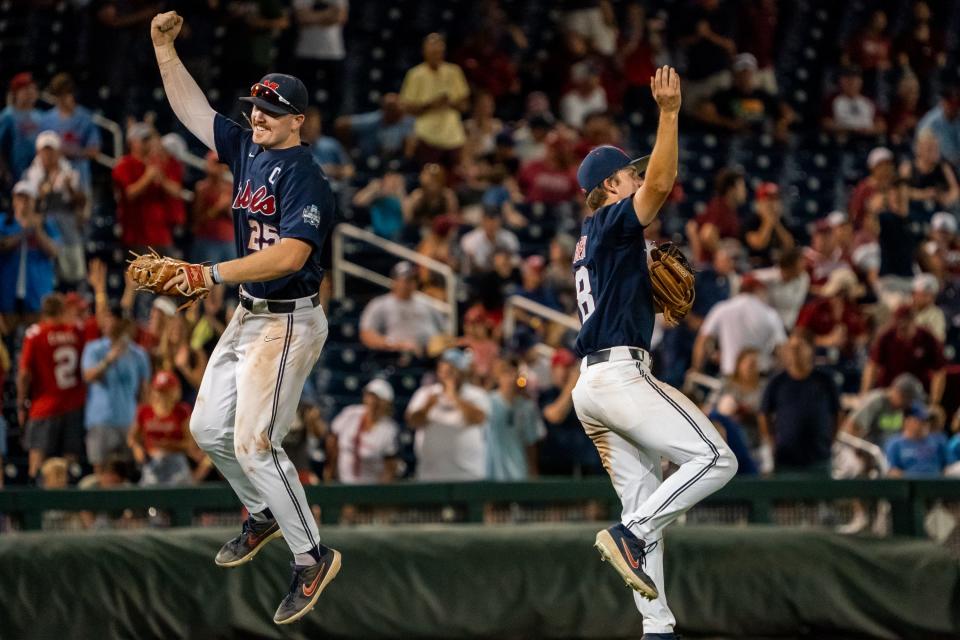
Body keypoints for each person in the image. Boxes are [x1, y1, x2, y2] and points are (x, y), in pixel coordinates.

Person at [150, 11, 340, 623]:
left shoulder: (306, 175)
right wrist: (163, 48)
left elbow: (289, 255)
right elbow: (191, 110)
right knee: (208, 431)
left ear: (297, 121)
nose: (256, 115)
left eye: (271, 108)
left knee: (256, 442)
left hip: (289, 320)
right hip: (248, 315)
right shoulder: (245, 147)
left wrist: (209, 273)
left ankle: (312, 557)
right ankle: (262, 512)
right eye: (255, 105)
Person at [570, 67, 737, 639]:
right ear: (609, 188)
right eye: (628, 176)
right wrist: (669, 114)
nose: (638, 179)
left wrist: (654, 302)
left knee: (650, 501)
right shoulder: (611, 223)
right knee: (716, 459)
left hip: (594, 385)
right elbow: (662, 186)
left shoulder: (599, 238)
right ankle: (630, 534)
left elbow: (646, 307)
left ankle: (657, 629)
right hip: (618, 377)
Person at [16, 293, 86, 480]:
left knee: (37, 464)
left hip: (44, 406)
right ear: (62, 310)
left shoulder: (36, 333)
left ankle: (35, 505)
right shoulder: (76, 331)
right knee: (70, 464)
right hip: (73, 404)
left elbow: (24, 374)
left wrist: (22, 403)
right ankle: (71, 507)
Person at [758, 331, 840, 475]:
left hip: (819, 458)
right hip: (786, 460)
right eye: (791, 347)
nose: (794, 351)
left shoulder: (825, 380)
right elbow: (764, 414)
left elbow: (837, 414)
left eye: (799, 347)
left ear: (810, 350)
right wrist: (772, 441)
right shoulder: (777, 382)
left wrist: (830, 440)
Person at [82, 305, 151, 473]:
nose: (110, 324)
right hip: (101, 420)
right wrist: (108, 360)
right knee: (100, 471)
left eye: (115, 320)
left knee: (127, 472)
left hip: (129, 421)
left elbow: (145, 392)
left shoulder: (138, 353)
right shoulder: (94, 349)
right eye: (108, 319)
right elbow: (88, 376)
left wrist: (141, 423)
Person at [406, 348, 490, 481]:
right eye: (444, 370)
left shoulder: (476, 395)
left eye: (452, 370)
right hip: (431, 475)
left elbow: (479, 419)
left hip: (468, 475)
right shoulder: (426, 393)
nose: (447, 375)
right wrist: (428, 406)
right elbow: (412, 421)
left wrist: (455, 397)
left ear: (462, 372)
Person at [25, 131, 88, 288]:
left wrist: (69, 188)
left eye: (51, 150)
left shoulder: (71, 174)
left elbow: (82, 202)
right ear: (38, 152)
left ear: (58, 152)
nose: (48, 155)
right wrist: (40, 194)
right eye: (44, 151)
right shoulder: (29, 175)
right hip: (43, 239)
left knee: (74, 280)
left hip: (68, 235)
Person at [111, 123, 185, 254]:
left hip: (161, 233)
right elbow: (129, 194)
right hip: (136, 234)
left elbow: (177, 191)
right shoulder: (124, 164)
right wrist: (148, 177)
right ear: (132, 142)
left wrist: (161, 180)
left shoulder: (159, 163)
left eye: (149, 139)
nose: (148, 143)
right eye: (143, 139)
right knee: (139, 274)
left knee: (170, 273)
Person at [399, 33, 471, 168]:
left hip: (453, 135)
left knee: (455, 175)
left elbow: (465, 106)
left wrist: (449, 102)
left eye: (439, 51)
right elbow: (407, 108)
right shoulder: (415, 74)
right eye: (432, 51)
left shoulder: (454, 71)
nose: (436, 54)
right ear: (424, 52)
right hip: (426, 135)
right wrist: (431, 105)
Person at [692, 276, 787, 376]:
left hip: (730, 374)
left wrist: (696, 369)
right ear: (758, 290)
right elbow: (782, 349)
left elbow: (702, 340)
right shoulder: (770, 314)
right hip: (759, 376)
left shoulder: (722, 308)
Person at [861, 306, 946, 408]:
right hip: (889, 392)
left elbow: (939, 372)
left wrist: (934, 402)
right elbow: (872, 366)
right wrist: (865, 396)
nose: (900, 331)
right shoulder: (886, 336)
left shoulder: (927, 338)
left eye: (904, 328)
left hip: (917, 394)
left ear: (913, 322)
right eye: (898, 327)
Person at [0, 181, 61, 323]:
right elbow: (3, 245)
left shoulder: (46, 223)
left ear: (35, 201)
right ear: (13, 200)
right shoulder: (3, 221)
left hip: (37, 289)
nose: (23, 202)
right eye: (19, 197)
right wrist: (27, 230)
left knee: (37, 330)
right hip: (7, 287)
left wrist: (38, 230)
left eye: (27, 198)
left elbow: (53, 251)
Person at [359, 261, 445, 356]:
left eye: (413, 280)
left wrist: (438, 344)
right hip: (396, 356)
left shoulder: (426, 302)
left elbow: (443, 331)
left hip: (431, 355)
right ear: (394, 281)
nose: (410, 284)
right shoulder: (380, 304)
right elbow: (366, 334)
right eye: (406, 280)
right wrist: (393, 344)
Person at [128, 370, 196, 486]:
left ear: (175, 392)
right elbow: (132, 438)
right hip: (152, 461)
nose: (163, 395)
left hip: (176, 461)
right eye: (159, 391)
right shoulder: (145, 411)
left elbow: (190, 444)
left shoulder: (182, 411)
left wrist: (169, 445)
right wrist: (137, 448)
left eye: (167, 391)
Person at [37, 72, 102, 192]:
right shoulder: (46, 120)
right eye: (59, 95)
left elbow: (95, 152)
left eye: (66, 93)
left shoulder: (85, 118)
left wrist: (73, 151)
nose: (62, 99)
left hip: (80, 178)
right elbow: (39, 152)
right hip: (54, 180)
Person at [326, 379, 399, 484]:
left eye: (377, 399)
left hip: (370, 491)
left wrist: (379, 495)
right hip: (341, 486)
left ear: (386, 404)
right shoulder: (350, 413)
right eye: (370, 396)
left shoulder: (389, 430)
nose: (373, 402)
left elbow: (390, 467)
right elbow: (332, 440)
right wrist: (330, 471)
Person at [486, 358, 546, 481]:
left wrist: (533, 472)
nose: (511, 378)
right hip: (492, 473)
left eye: (514, 373)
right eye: (506, 373)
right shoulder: (486, 403)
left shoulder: (528, 407)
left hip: (519, 472)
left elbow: (531, 443)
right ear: (498, 377)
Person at [292, 0, 348, 120]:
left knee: (334, 102)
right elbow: (302, 18)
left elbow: (341, 17)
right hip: (306, 53)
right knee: (305, 101)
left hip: (334, 53)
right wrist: (329, 14)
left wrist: (313, 15)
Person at [844, 373, 924, 446]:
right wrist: (857, 452)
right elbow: (852, 426)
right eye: (907, 399)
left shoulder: (902, 409)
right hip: (871, 453)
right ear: (897, 392)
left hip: (888, 453)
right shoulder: (876, 400)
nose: (909, 404)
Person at [333, 93, 414, 162]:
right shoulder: (375, 119)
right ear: (384, 110)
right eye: (391, 107)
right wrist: (348, 148)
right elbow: (340, 124)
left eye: (399, 106)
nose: (397, 109)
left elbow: (409, 152)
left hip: (397, 159)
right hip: (370, 158)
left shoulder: (408, 122)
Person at [191, 150, 235, 265]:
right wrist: (217, 208)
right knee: (206, 277)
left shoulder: (232, 187)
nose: (219, 167)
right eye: (215, 163)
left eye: (221, 163)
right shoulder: (202, 188)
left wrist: (227, 208)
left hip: (229, 239)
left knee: (234, 279)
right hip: (208, 239)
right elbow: (197, 219)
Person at [901, 128, 959, 210]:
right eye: (930, 149)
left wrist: (948, 199)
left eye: (936, 148)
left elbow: (955, 189)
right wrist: (924, 194)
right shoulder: (908, 167)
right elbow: (902, 191)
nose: (935, 152)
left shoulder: (944, 166)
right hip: (916, 209)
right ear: (919, 150)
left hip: (940, 209)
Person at [0, 72, 42, 184]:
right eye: (26, 90)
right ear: (15, 93)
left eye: (33, 89)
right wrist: (4, 170)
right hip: (15, 174)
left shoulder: (40, 116)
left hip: (38, 174)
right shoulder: (8, 116)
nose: (30, 93)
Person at [885, 404, 947, 477]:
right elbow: (892, 472)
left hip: (937, 484)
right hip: (908, 485)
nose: (924, 424)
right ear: (907, 421)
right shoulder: (895, 444)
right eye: (919, 421)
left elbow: (946, 466)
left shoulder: (938, 440)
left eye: (925, 421)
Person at [460, 207, 520, 275]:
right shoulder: (470, 240)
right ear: (482, 221)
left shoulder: (509, 238)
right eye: (487, 221)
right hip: (478, 278)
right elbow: (472, 267)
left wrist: (504, 262)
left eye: (494, 221)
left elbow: (516, 261)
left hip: (503, 277)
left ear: (500, 221)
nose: (490, 225)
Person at [915, 83, 960, 168]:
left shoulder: (957, 117)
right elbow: (919, 151)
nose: (953, 106)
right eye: (950, 102)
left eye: (956, 103)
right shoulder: (929, 122)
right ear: (942, 101)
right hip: (937, 169)